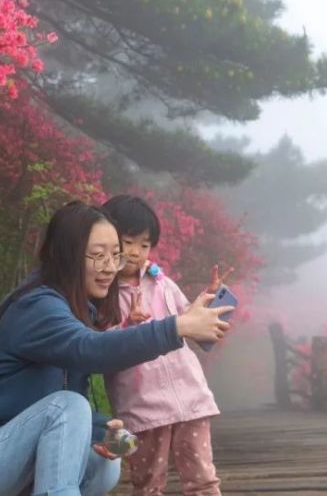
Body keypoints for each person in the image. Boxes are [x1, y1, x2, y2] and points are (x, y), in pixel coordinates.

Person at [0, 201, 235, 496]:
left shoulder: (79, 312)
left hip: (3, 459)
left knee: (104, 464)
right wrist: (176, 326)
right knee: (67, 406)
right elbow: (90, 350)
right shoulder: (38, 307)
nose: (110, 267)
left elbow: (48, 407)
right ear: (67, 256)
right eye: (98, 255)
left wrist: (106, 431)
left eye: (116, 255)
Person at [102, 194, 231, 496]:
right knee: (148, 484)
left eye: (144, 245)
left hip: (190, 397)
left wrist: (209, 299)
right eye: (128, 241)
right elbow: (99, 346)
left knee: (203, 480)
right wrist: (128, 326)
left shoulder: (162, 283)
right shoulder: (102, 293)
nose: (136, 252)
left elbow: (189, 322)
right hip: (143, 407)